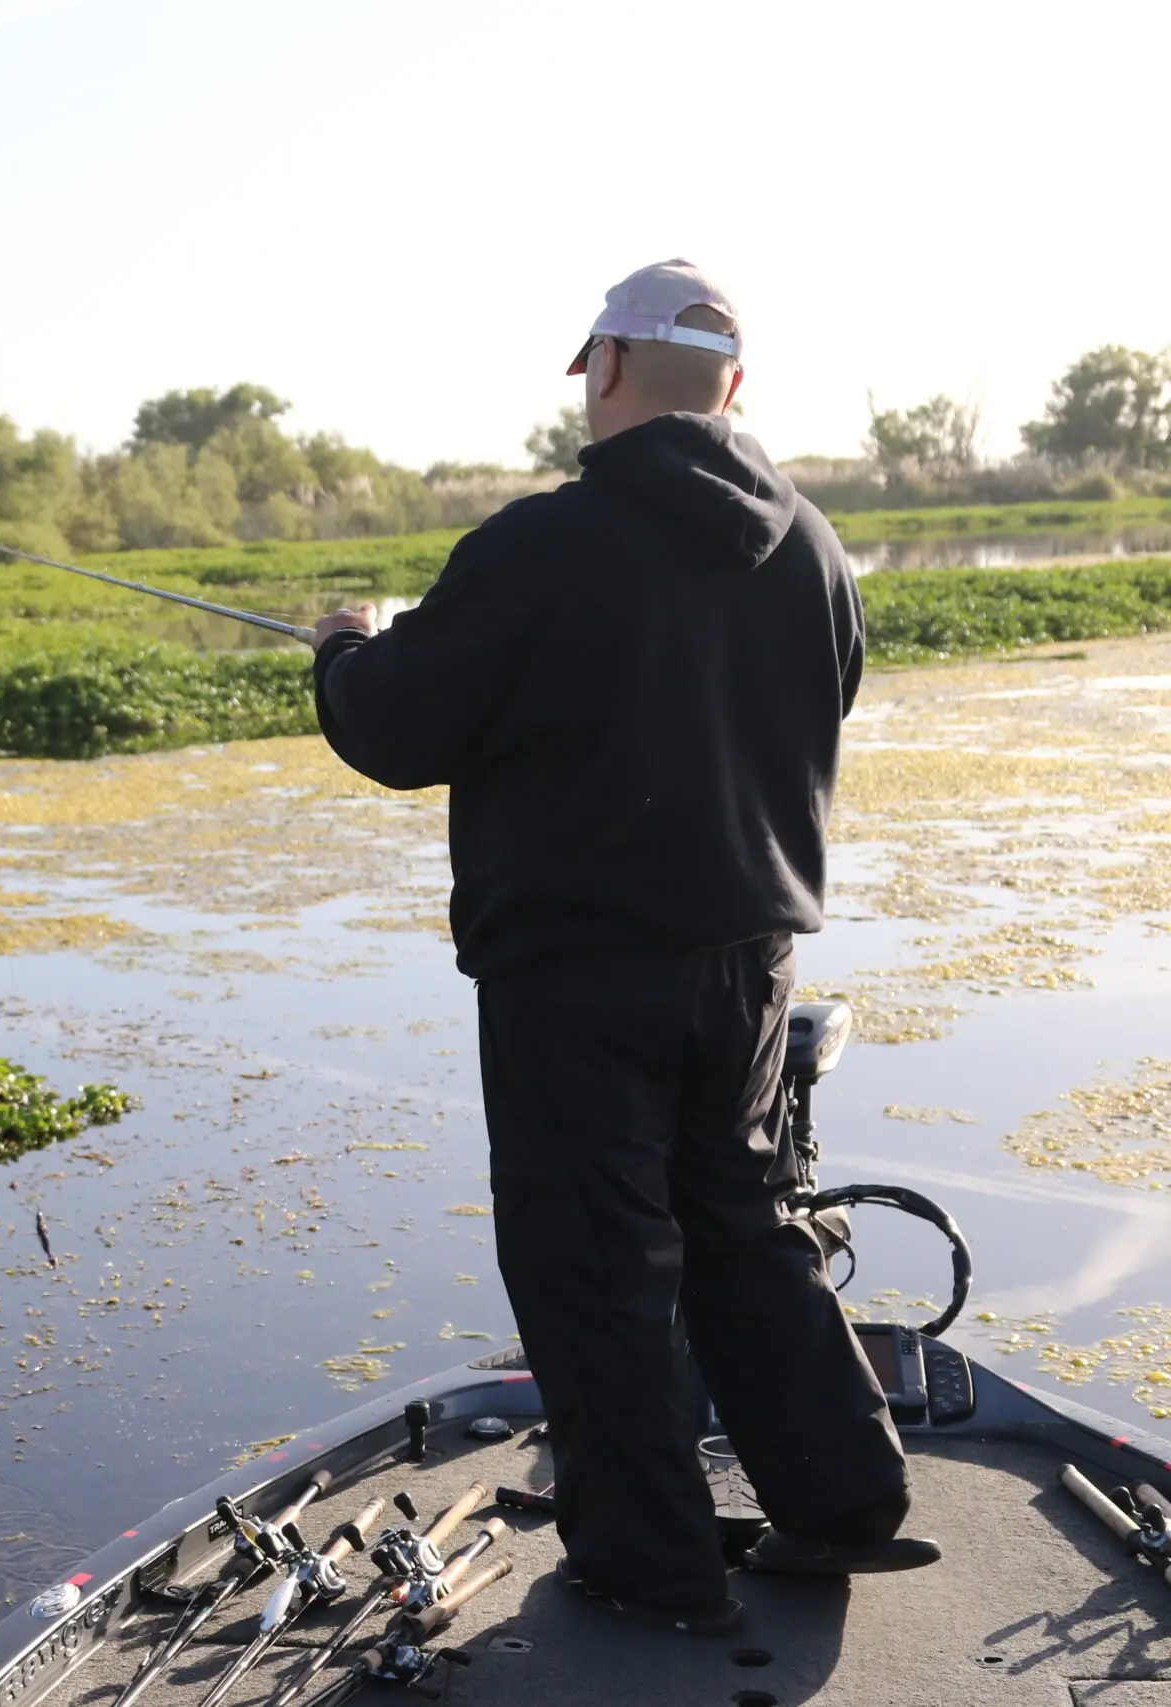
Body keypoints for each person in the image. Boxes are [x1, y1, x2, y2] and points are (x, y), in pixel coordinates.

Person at [306, 259, 935, 1635]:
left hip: (578, 977)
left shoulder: (537, 546)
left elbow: (397, 726)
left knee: (597, 1260)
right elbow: (824, 699)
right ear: (735, 389)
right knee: (747, 1220)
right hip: (752, 959)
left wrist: (343, 650)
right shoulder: (818, 548)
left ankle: (648, 1566)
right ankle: (841, 1497)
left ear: (603, 371)